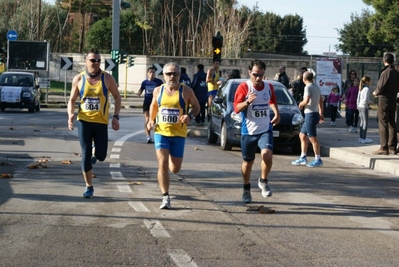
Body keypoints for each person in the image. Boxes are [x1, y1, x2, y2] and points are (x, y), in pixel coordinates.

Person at [67, 48, 121, 198]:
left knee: (102, 155)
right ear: (86, 62)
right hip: (84, 121)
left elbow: (117, 97)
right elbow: (71, 100)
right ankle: (88, 186)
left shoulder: (108, 79)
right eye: (93, 60)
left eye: (98, 60)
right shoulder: (78, 79)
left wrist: (116, 116)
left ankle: (95, 151)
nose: (96, 63)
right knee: (85, 155)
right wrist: (70, 115)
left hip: (101, 122)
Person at [147, 62, 200, 209]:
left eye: (175, 74)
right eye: (169, 74)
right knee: (162, 163)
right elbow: (153, 106)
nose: (172, 76)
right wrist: (151, 121)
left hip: (178, 135)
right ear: (163, 76)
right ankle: (165, 197)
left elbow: (196, 107)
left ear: (179, 75)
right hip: (161, 132)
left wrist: (189, 116)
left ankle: (171, 165)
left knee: (175, 169)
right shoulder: (158, 91)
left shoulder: (186, 91)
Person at [233, 59, 281, 204]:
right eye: (255, 75)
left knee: (267, 154)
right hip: (248, 131)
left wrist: (277, 113)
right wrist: (247, 102)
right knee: (248, 163)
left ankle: (263, 180)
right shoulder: (243, 87)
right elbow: (236, 108)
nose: (258, 78)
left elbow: (272, 100)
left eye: (260, 75)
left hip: (265, 129)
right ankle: (246, 188)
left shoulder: (268, 87)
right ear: (249, 72)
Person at [291, 71, 324, 167]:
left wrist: (300, 104)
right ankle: (303, 157)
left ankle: (318, 159)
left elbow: (307, 100)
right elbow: (320, 100)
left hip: (310, 114)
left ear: (304, 79)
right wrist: (321, 112)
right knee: (302, 135)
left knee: (312, 137)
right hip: (314, 113)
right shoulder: (316, 87)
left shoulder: (307, 87)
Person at [372, 53, 399, 155]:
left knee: (383, 122)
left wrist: (375, 92)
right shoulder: (396, 72)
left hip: (384, 100)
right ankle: (392, 147)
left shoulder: (386, 72)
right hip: (393, 99)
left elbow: (381, 86)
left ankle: (384, 147)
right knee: (392, 122)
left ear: (384, 60)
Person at [137, 67, 163, 143]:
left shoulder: (158, 82)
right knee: (147, 119)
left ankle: (157, 136)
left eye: (153, 72)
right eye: (150, 72)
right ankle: (148, 137)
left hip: (155, 103)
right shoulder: (144, 82)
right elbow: (141, 89)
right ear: (147, 73)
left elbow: (163, 89)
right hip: (147, 103)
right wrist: (138, 93)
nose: (152, 74)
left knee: (154, 120)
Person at [357, 75, 373, 144]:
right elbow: (365, 99)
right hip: (364, 106)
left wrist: (357, 105)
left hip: (360, 106)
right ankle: (364, 138)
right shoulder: (366, 89)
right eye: (370, 81)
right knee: (365, 122)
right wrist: (371, 102)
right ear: (367, 81)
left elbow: (358, 98)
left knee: (361, 122)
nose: (370, 82)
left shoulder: (361, 88)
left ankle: (361, 137)